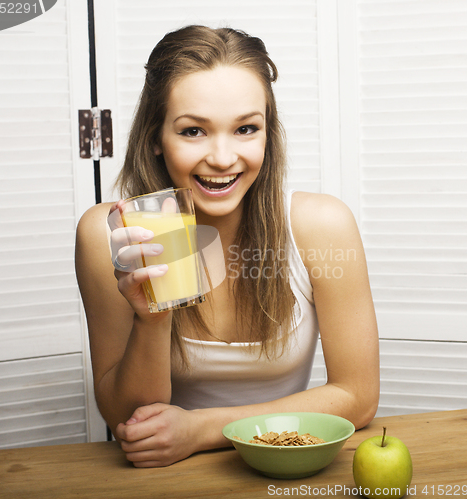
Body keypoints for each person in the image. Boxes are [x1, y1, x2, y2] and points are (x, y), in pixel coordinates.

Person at [75, 25, 379, 468]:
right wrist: (153, 319)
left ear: (267, 134)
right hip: (165, 478)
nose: (221, 158)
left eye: (245, 129)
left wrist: (202, 429)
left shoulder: (321, 226)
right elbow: (129, 420)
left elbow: (358, 395)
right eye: (194, 131)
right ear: (156, 138)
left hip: (283, 464)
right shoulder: (108, 235)